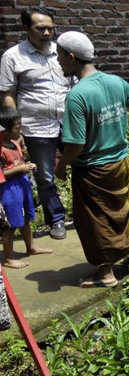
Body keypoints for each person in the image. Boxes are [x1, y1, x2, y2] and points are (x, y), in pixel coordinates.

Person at [54, 31, 129, 288]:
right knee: (126, 209)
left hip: (93, 169)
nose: (58, 61)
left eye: (59, 56)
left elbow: (76, 143)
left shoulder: (78, 95)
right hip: (120, 161)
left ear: (71, 57)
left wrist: (61, 166)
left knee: (95, 221)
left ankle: (106, 274)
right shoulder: (116, 82)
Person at [0, 7, 71, 240]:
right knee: (46, 176)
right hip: (36, 127)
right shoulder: (13, 56)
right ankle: (57, 219)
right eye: (41, 29)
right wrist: (12, 130)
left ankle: (85, 213)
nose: (48, 33)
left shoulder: (62, 52)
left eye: (50, 28)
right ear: (26, 28)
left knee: (82, 166)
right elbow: (8, 94)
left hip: (69, 122)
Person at [0, 107, 52, 269]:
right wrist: (19, 169)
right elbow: (2, 174)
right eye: (17, 128)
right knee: (11, 223)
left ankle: (31, 247)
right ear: (5, 130)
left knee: (26, 218)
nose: (20, 131)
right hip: (9, 190)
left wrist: (27, 165)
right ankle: (9, 257)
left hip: (22, 185)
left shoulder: (15, 143)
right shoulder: (1, 149)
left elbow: (19, 162)